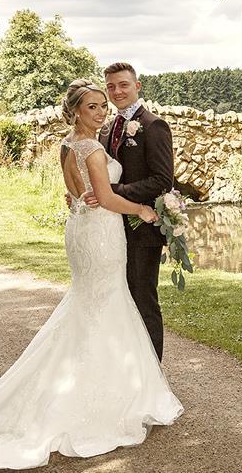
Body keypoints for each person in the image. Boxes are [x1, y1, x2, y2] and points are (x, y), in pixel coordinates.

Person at [0, 80, 183, 470]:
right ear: (75, 111)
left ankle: (107, 384)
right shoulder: (90, 146)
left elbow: (74, 196)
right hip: (102, 231)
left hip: (82, 229)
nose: (101, 112)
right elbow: (105, 198)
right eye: (92, 106)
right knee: (107, 303)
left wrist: (85, 199)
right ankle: (108, 397)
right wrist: (141, 211)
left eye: (102, 105)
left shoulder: (66, 144)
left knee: (90, 305)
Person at [69, 62, 174, 361]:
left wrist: (111, 194)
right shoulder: (106, 128)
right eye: (111, 86)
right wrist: (78, 195)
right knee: (119, 304)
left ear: (137, 86)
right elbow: (98, 173)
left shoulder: (153, 126)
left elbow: (161, 181)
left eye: (123, 85)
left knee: (143, 301)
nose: (117, 91)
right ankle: (126, 371)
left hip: (143, 230)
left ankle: (153, 376)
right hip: (110, 230)